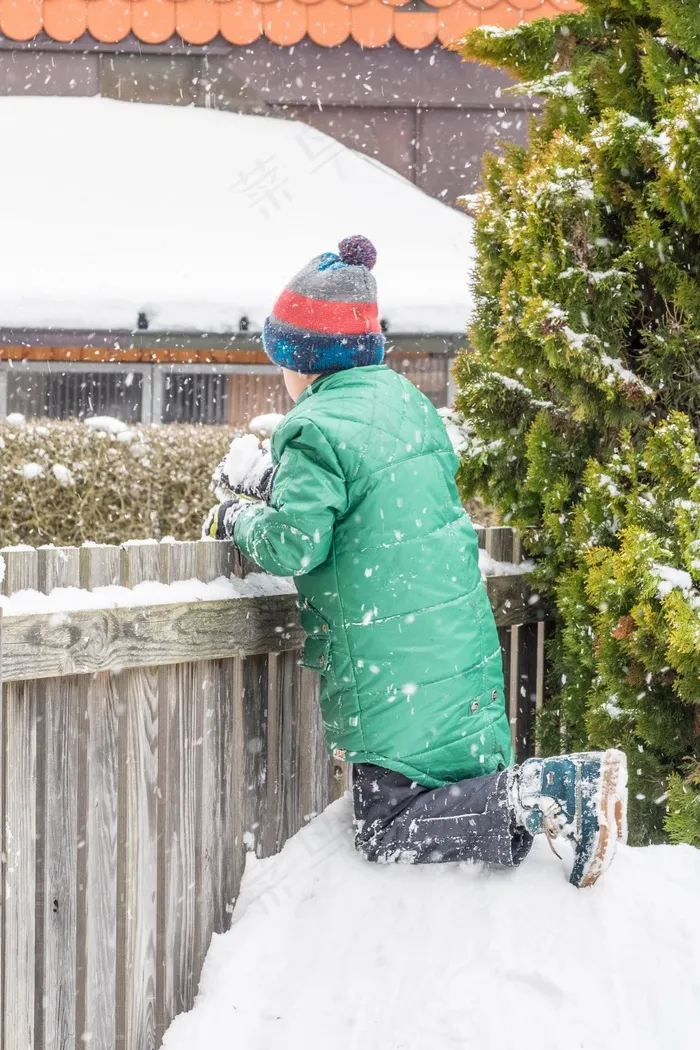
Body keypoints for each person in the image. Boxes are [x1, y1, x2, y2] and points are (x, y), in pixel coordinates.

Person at [204, 235, 628, 889]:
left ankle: (548, 790)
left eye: (281, 358)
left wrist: (237, 517)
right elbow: (374, 496)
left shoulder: (312, 427)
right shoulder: (409, 409)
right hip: (450, 653)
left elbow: (295, 542)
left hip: (390, 668)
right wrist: (270, 479)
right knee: (456, 800)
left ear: (303, 361)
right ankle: (531, 801)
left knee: (385, 828)